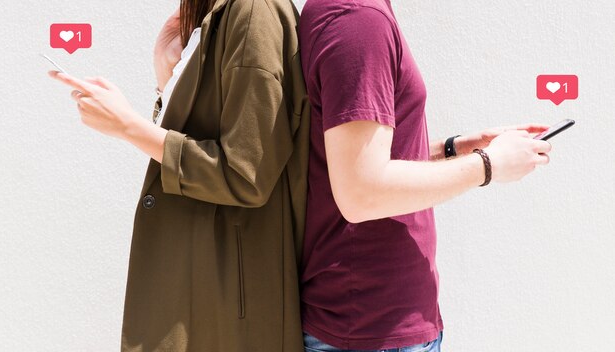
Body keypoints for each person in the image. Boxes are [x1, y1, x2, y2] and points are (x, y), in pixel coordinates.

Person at [49, 0, 309, 350]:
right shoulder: (220, 15)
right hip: (204, 289)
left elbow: (246, 174)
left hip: (228, 302)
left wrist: (128, 126)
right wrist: (166, 76)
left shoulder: (252, 11)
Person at [297, 0, 552, 351]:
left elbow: (359, 156)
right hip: (373, 328)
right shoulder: (358, 21)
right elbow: (361, 191)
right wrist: (488, 165)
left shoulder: (355, 13)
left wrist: (456, 147)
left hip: (376, 323)